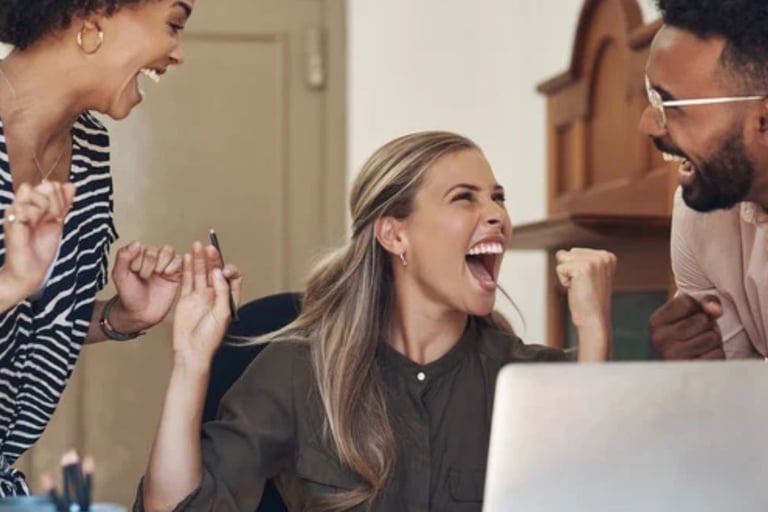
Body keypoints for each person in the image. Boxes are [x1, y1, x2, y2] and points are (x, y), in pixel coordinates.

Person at [136, 131, 616, 512]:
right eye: (465, 198)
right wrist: (190, 360)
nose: (497, 215)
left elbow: (599, 493)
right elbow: (173, 508)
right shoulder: (299, 371)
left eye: (498, 197)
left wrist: (594, 331)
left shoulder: (526, 381)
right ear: (394, 234)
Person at [0, 0, 197, 495]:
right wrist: (11, 284)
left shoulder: (89, 150)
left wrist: (119, 318)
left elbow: (32, 324)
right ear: (93, 17)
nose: (178, 53)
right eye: (174, 24)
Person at [640, 0, 768, 360]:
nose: (647, 124)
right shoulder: (702, 212)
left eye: (670, 104)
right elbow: (731, 382)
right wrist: (696, 367)